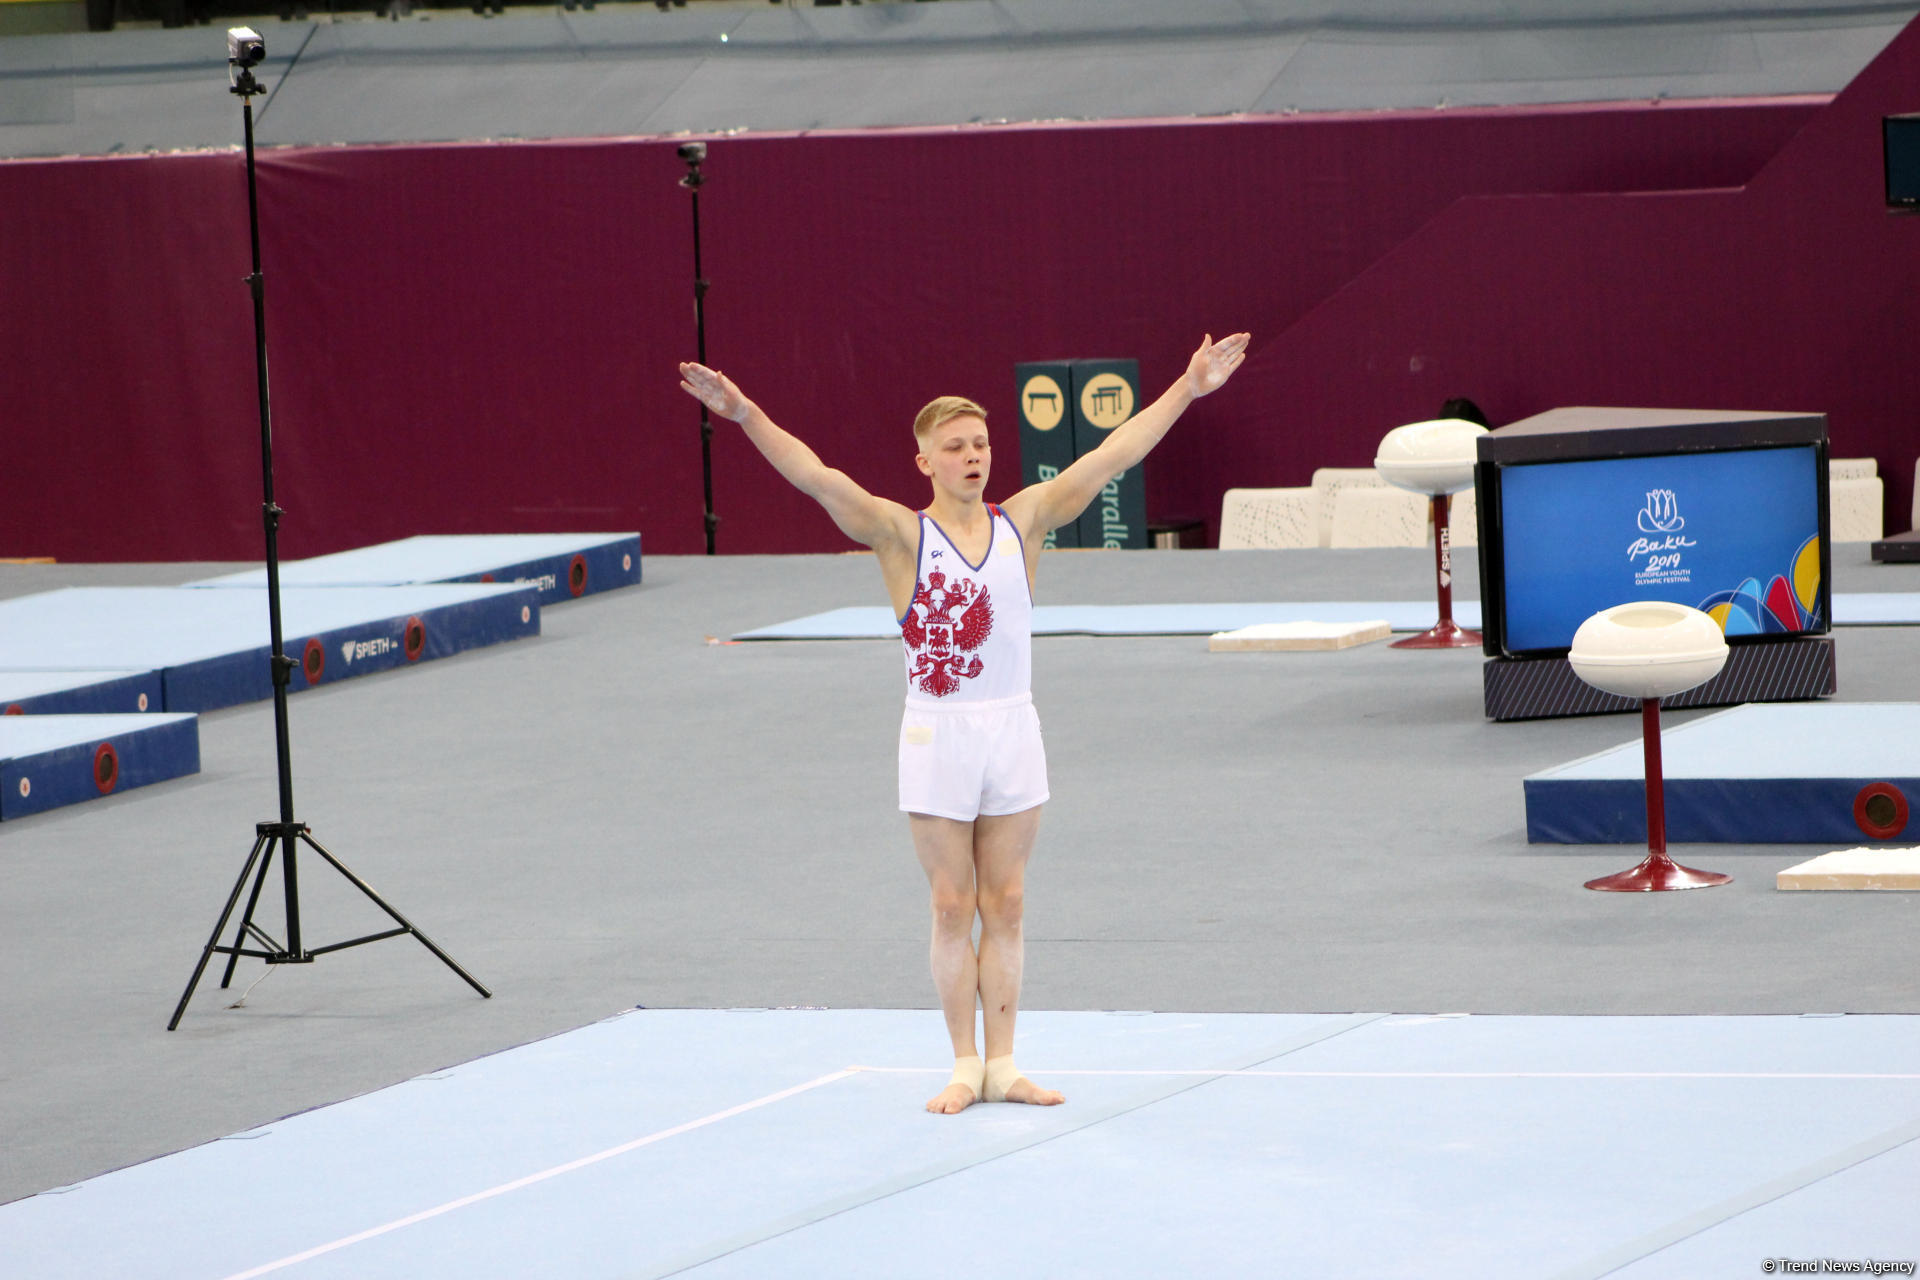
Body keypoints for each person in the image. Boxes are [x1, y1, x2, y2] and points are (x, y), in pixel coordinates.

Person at [678, 332, 1251, 1114]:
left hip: (1012, 726)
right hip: (938, 731)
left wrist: (1187, 387)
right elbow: (816, 477)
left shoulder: (1029, 520)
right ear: (927, 462)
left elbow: (1113, 456)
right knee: (952, 905)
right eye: (955, 446)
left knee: (1008, 900)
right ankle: (961, 1063)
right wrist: (744, 413)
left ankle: (1005, 1063)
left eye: (981, 443)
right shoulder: (900, 534)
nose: (974, 456)